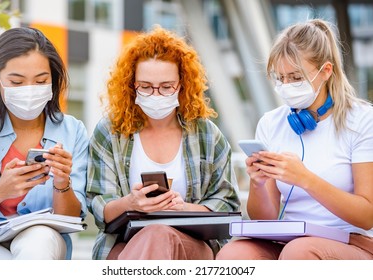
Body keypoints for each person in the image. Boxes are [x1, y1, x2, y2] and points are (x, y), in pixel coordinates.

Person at [216, 19, 373, 260]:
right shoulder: (271, 123)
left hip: (352, 241)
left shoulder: (362, 120)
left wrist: (305, 179)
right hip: (289, 240)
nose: (286, 85)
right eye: (280, 78)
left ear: (326, 71)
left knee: (298, 253)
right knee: (233, 255)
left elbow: (367, 214)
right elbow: (264, 219)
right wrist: (258, 185)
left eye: (295, 77)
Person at [86, 25, 240, 260]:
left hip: (192, 245)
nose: (156, 95)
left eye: (166, 87)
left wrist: (182, 208)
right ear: (131, 86)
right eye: (146, 87)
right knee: (151, 237)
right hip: (125, 243)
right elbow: (99, 205)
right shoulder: (110, 132)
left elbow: (227, 202)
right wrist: (131, 203)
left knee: (158, 234)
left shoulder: (207, 134)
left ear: (182, 85)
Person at [0, 27, 89, 259]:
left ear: (52, 79)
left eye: (40, 80)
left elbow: (72, 219)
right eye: (17, 82)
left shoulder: (73, 131)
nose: (29, 90)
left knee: (38, 240)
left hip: (44, 242)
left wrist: (62, 182)